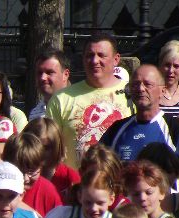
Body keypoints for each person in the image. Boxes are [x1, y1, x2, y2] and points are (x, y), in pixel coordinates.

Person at [46, 34, 133, 169]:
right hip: (76, 181)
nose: (94, 60)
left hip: (119, 180)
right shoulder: (61, 99)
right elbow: (50, 151)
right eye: (89, 55)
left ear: (116, 59)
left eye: (101, 55)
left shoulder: (133, 95)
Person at [100, 64, 179, 161]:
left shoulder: (177, 130)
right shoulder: (117, 129)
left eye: (148, 84)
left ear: (163, 91)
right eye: (135, 84)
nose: (140, 88)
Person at [23, 117, 80, 203]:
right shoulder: (18, 177)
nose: (39, 151)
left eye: (46, 147)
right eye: (35, 145)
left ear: (57, 147)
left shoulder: (69, 178)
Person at [29, 49, 70, 121]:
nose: (42, 78)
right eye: (39, 73)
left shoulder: (78, 106)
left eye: (49, 72)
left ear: (65, 75)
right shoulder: (35, 113)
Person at [158, 40, 179, 120]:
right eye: (167, 65)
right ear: (160, 65)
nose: (170, 70)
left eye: (176, 66)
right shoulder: (150, 95)